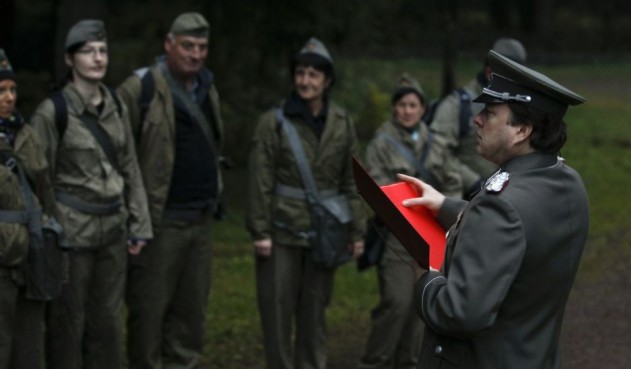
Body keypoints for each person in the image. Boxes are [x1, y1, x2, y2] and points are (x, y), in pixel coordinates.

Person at [400, 50, 589, 369]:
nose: (476, 119)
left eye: (489, 112)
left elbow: (461, 313)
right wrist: (445, 205)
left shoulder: (502, 204)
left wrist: (425, 279)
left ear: (521, 130)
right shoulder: (566, 182)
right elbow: (522, 228)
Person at [30, 20, 152, 369]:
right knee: (68, 325)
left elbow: (130, 167)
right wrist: (49, 232)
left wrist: (139, 222)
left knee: (109, 324)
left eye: (102, 51)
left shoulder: (115, 103)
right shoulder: (53, 112)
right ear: (70, 60)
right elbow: (39, 179)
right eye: (88, 51)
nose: (98, 58)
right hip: (72, 235)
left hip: (113, 230)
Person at [246, 37, 366, 369]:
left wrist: (357, 231)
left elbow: (351, 180)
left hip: (324, 233)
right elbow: (260, 178)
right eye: (300, 73)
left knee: (315, 316)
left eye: (314, 74)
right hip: (281, 232)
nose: (305, 81)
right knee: (277, 315)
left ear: (327, 80)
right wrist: (260, 231)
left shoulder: (341, 123)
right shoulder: (274, 122)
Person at [117, 12, 225, 369]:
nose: (195, 54)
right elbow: (119, 155)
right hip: (158, 224)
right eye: (188, 46)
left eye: (202, 47)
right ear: (169, 44)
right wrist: (133, 219)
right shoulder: (141, 88)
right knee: (148, 317)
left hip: (200, 220)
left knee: (190, 318)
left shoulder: (208, 88)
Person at [358, 73, 461, 369]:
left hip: (432, 234)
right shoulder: (382, 142)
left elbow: (452, 180)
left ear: (423, 109)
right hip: (398, 235)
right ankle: (375, 362)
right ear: (394, 108)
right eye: (401, 104)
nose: (407, 110)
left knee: (423, 306)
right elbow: (374, 186)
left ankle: (411, 363)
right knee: (396, 303)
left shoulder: (436, 143)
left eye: (413, 105)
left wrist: (444, 210)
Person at [0, 49, 59, 369]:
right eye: (0, 91)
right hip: (2, 257)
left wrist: (54, 233)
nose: (8, 98)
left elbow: (44, 188)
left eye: (12, 90)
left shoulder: (26, 134)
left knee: (30, 346)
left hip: (32, 253)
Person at [429, 38, 527, 198]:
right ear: (489, 71)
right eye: (509, 75)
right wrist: (474, 183)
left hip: (510, 195)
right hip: (464, 199)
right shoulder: (456, 104)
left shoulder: (519, 103)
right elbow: (436, 152)